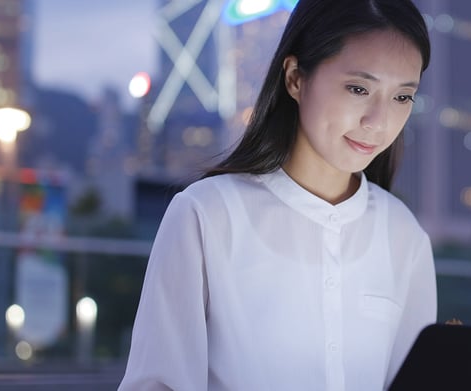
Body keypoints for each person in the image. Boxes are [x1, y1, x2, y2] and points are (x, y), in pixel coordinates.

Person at [119, 0, 436, 389]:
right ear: (295, 79)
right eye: (358, 88)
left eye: (402, 97)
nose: (378, 121)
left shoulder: (404, 236)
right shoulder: (206, 215)